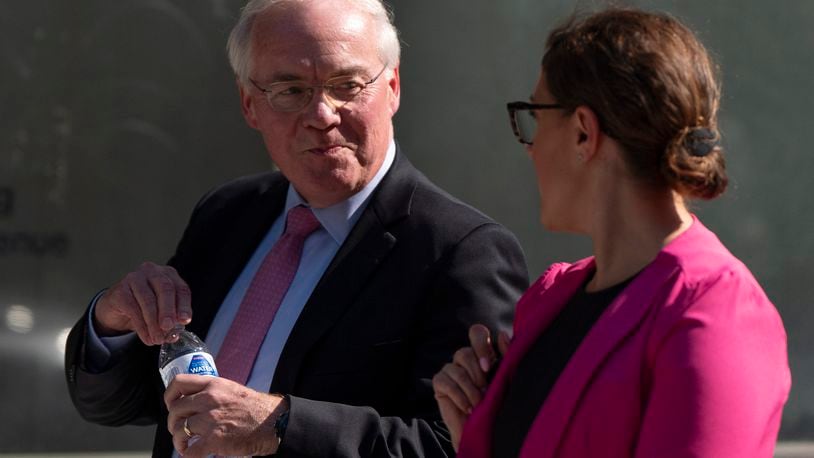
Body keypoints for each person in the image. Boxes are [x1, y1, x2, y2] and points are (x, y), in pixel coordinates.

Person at [64, 0, 528, 456]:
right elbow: (126, 405)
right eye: (290, 90)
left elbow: (462, 446)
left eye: (347, 85)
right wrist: (112, 324)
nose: (322, 115)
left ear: (393, 88)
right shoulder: (228, 214)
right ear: (250, 105)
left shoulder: (461, 252)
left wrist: (280, 424)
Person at [432, 8, 790, 458]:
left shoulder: (715, 313)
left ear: (584, 132)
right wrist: (477, 434)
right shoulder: (550, 300)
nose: (531, 147)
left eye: (536, 118)